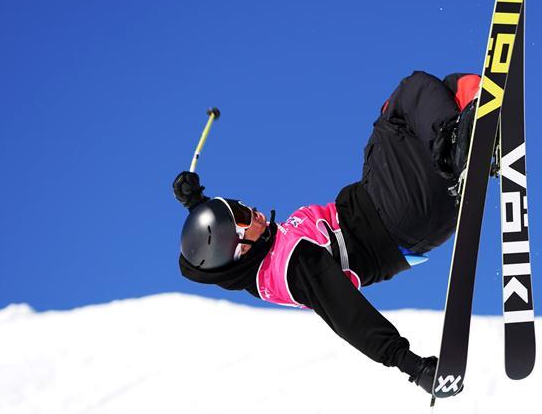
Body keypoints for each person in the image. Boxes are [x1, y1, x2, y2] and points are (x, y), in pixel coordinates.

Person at [173, 71, 480, 395]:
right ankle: (455, 145)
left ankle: (473, 137)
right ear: (240, 250)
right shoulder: (291, 265)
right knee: (406, 98)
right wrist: (410, 364)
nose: (255, 212)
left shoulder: (261, 265)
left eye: (242, 205)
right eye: (244, 217)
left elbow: (215, 246)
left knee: (447, 91)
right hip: (394, 208)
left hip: (421, 214)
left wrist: (196, 202)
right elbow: (346, 313)